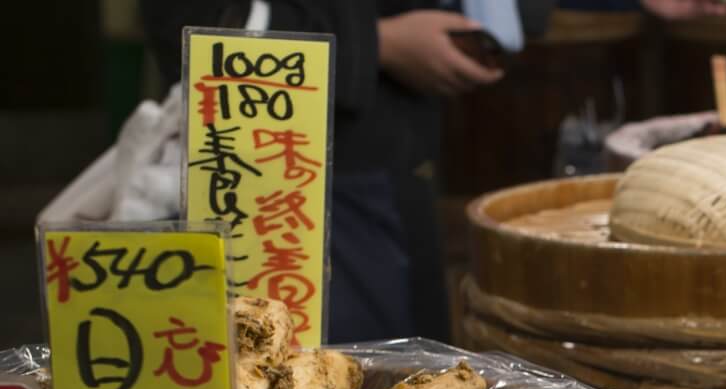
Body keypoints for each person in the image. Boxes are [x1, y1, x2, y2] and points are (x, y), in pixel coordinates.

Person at [144, 1, 553, 343]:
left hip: (407, 159)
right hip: (280, 163)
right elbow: (191, 16)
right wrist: (380, 44)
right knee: (284, 372)